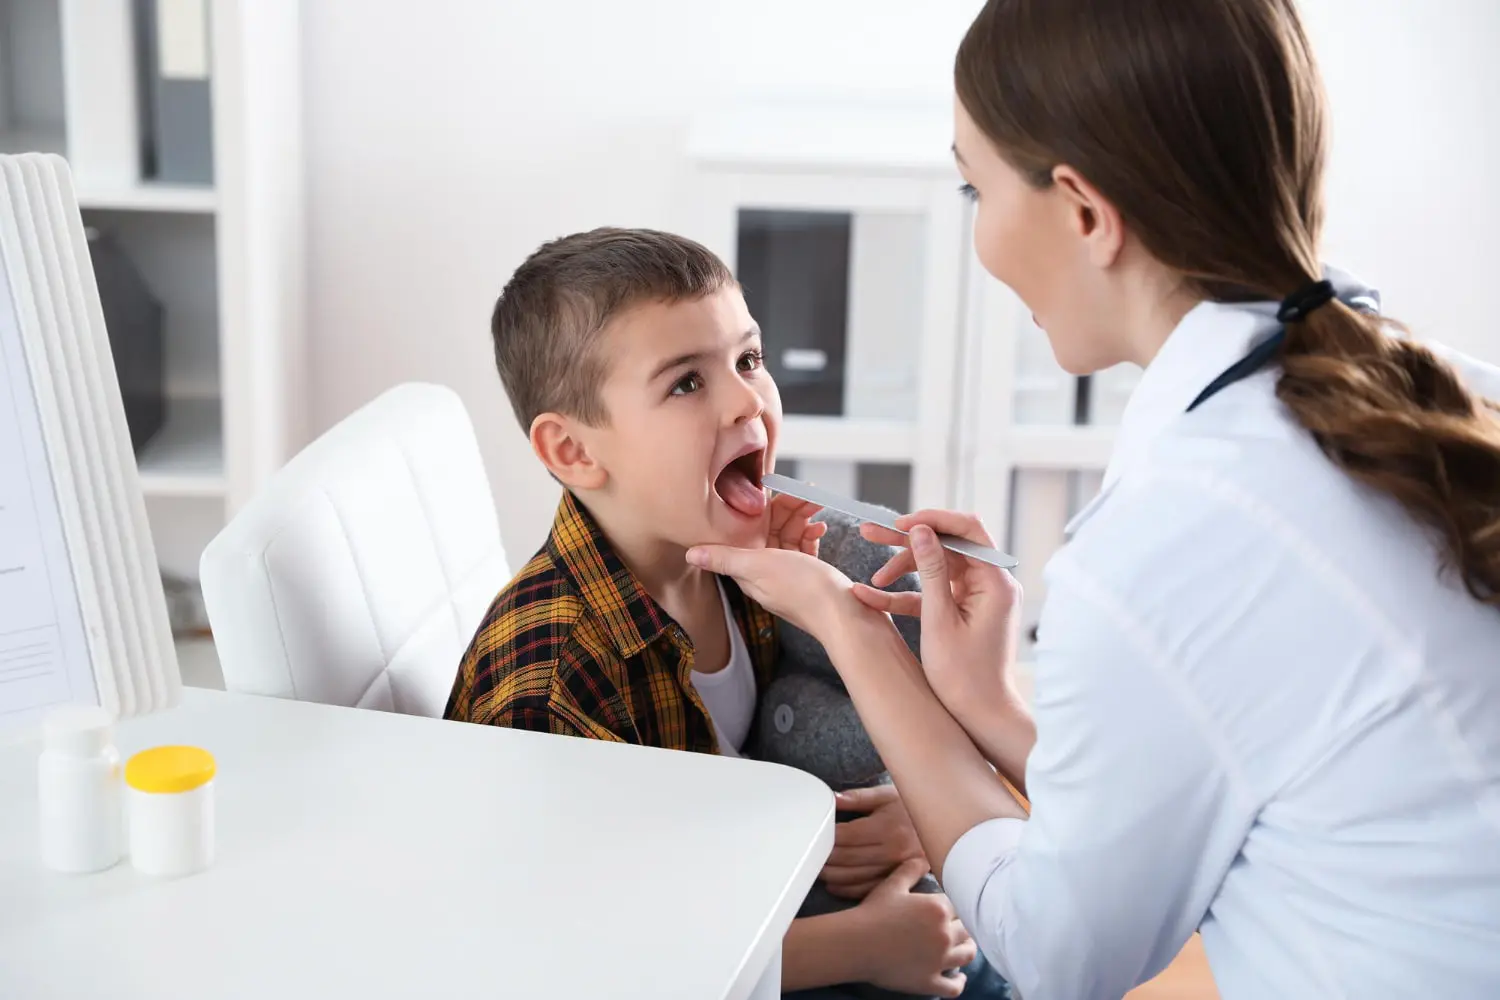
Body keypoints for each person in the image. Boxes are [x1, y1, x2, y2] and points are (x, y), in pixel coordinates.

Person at [686, 1, 1500, 997]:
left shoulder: (1175, 535)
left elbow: (1060, 951)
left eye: (975, 188)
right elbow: (1185, 786)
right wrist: (986, 702)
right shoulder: (1450, 395)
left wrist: (849, 628)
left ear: (1082, 212)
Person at [443, 227, 997, 997]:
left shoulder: (736, 555)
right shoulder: (549, 691)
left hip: (765, 880)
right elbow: (589, 959)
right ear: (574, 452)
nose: (748, 400)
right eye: (686, 384)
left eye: (748, 359)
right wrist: (863, 948)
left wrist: (915, 807)